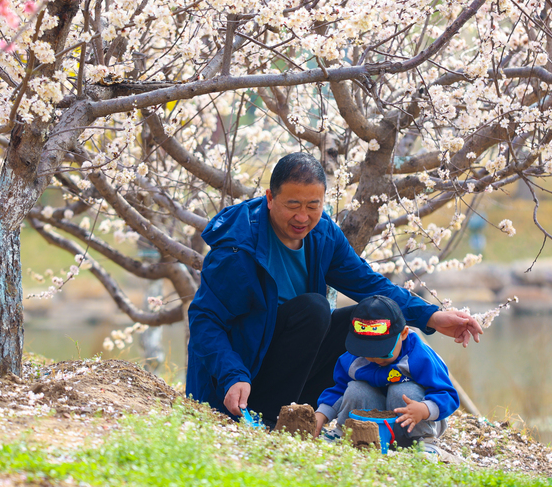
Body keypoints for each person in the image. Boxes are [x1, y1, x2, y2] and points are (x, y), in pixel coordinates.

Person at [185, 152, 482, 424]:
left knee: (362, 320)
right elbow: (204, 319)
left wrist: (431, 317)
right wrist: (232, 374)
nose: (303, 217)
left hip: (287, 368)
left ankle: (313, 414)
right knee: (314, 309)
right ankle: (272, 418)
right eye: (293, 205)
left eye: (312, 206)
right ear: (270, 199)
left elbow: (369, 284)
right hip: (242, 378)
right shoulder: (238, 248)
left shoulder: (323, 234)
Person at [313, 295, 458, 450]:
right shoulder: (353, 360)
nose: (376, 359)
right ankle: (345, 432)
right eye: (368, 353)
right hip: (376, 424)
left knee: (401, 391)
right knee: (356, 389)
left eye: (383, 352)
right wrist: (321, 415)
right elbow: (339, 390)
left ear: (403, 334)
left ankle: (425, 442)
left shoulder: (419, 357)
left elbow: (448, 394)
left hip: (413, 418)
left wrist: (424, 409)